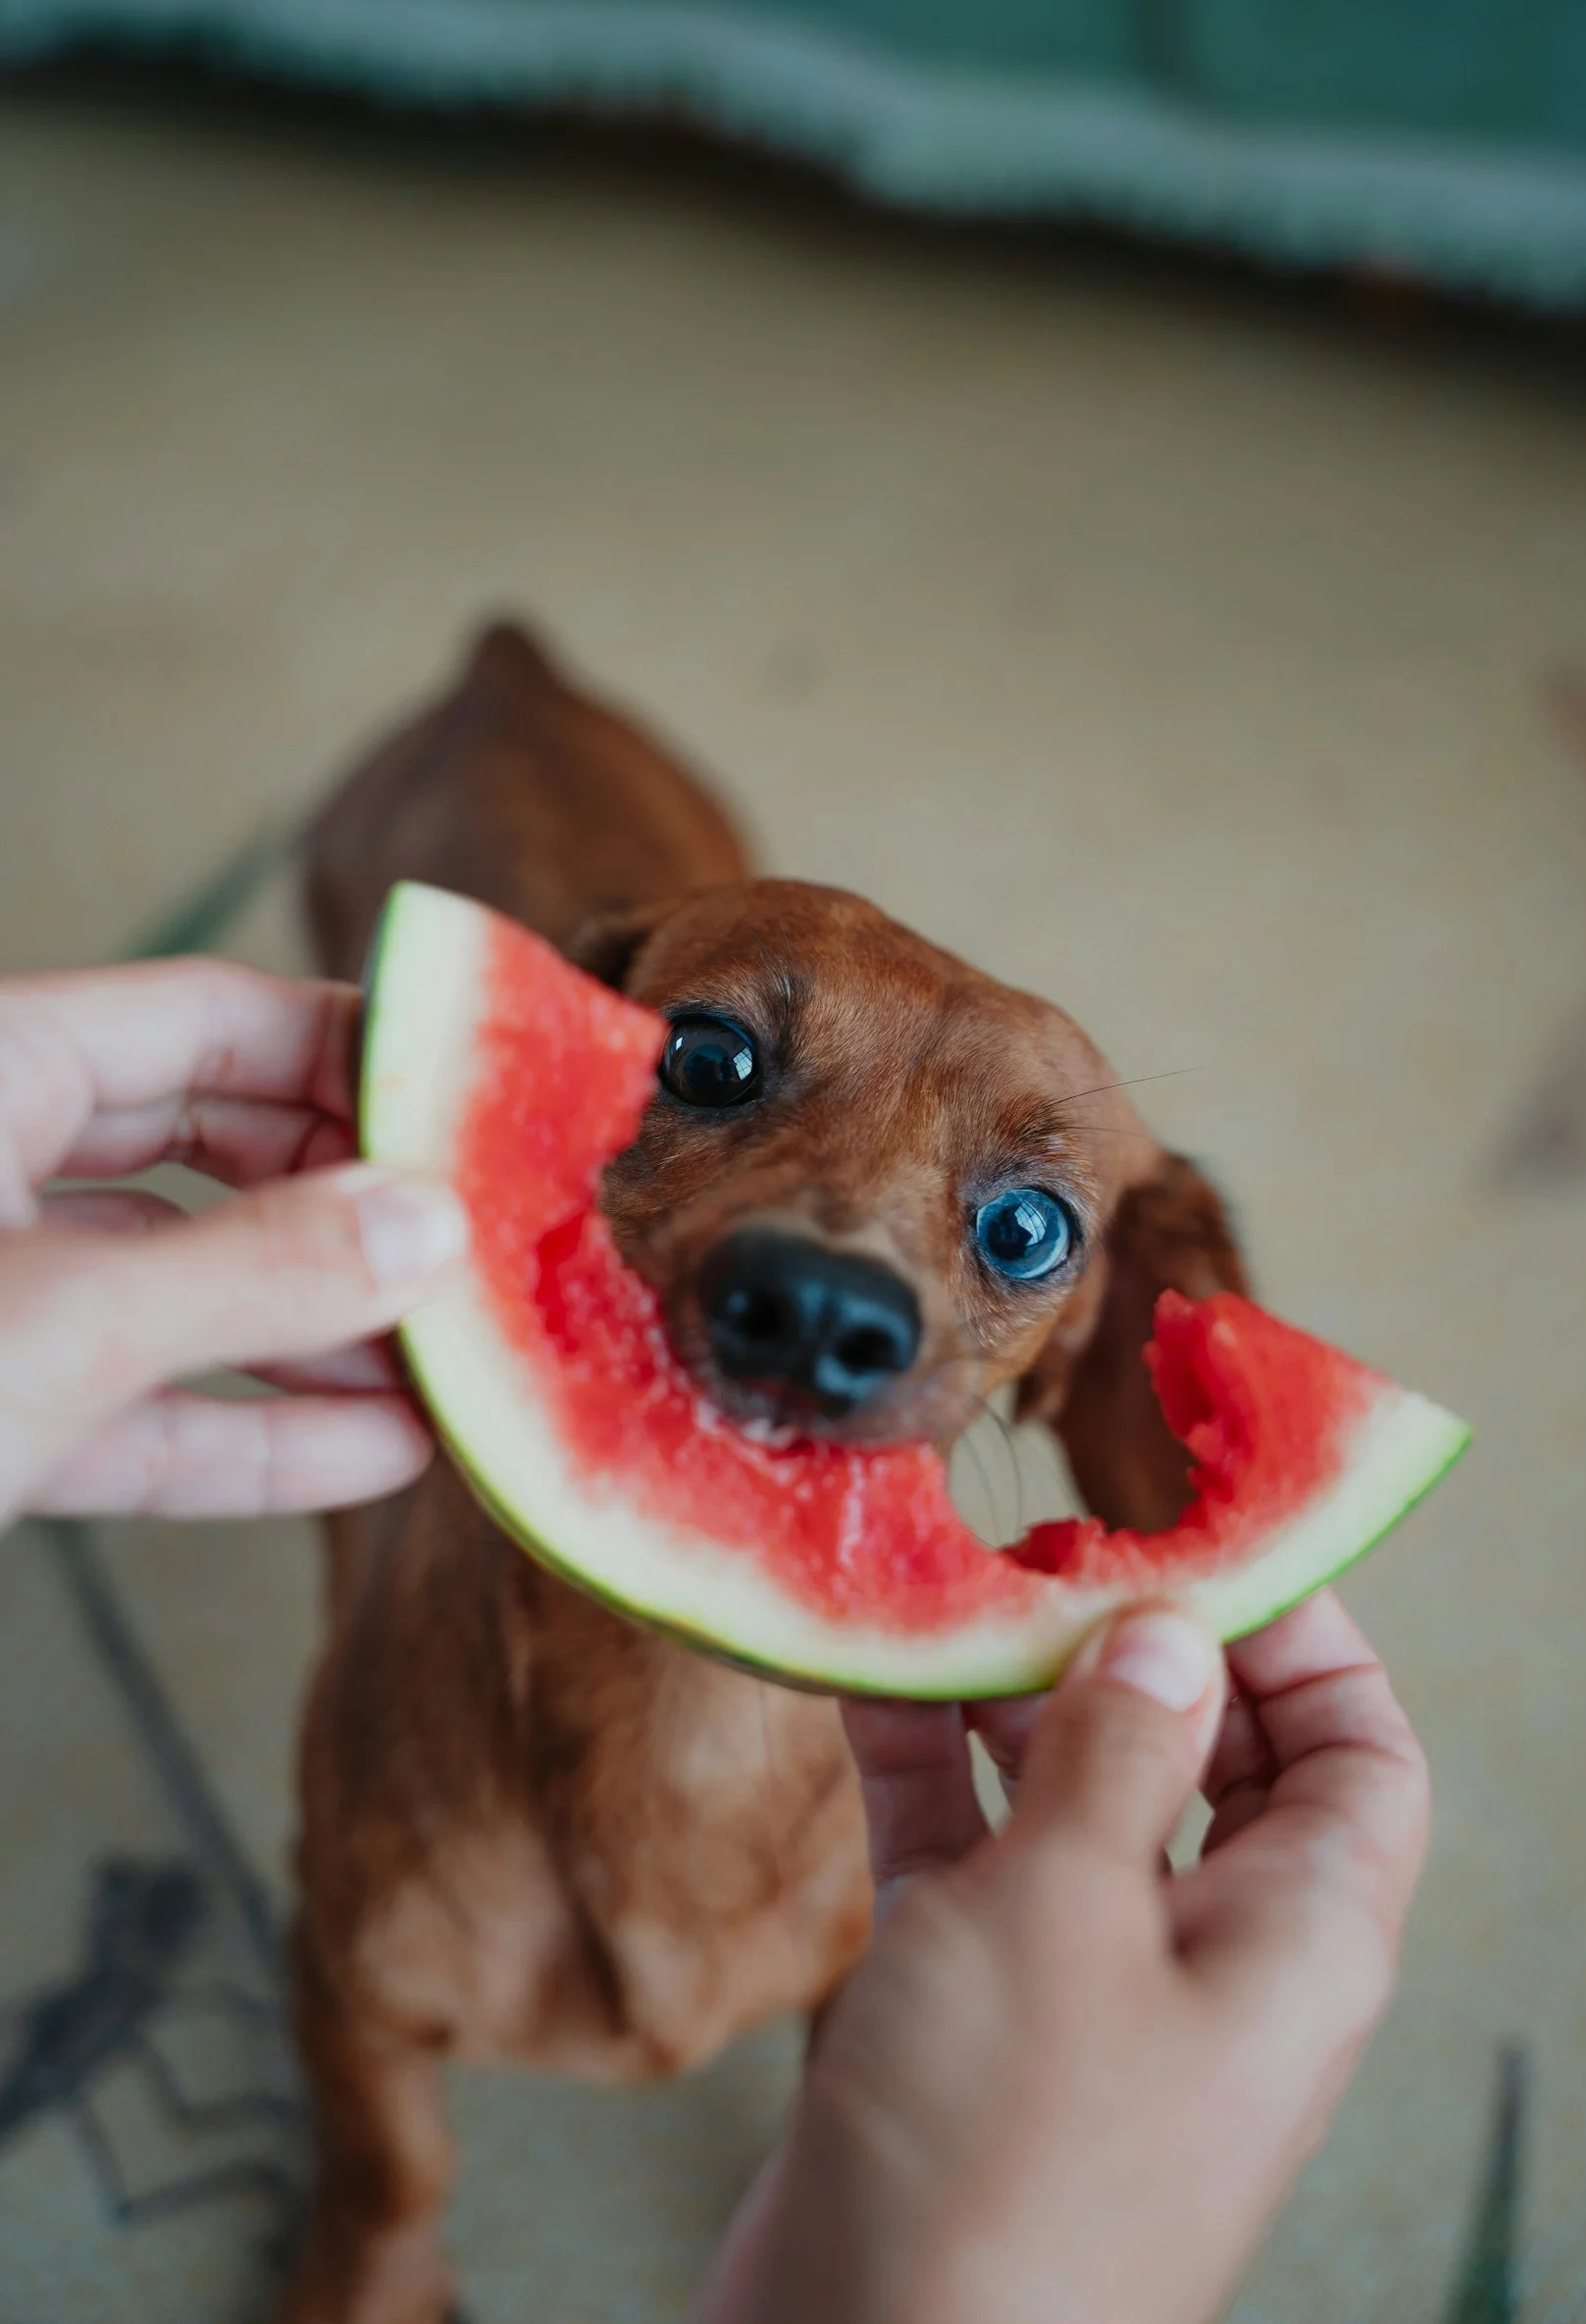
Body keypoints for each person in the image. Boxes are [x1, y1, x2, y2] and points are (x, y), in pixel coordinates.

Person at [0, 954, 1430, 2324]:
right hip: (435, 1734)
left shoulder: (932, 1860)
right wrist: (381, 2220)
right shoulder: (394, 1831)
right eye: (713, 1066)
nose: (833, 1274)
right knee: (357, 1963)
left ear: (1084, 1341)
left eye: (1022, 1231)